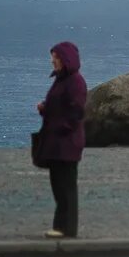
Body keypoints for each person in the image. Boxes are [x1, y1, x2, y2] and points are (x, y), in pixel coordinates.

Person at [35, 40, 86, 238]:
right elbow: (60, 107)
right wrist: (46, 110)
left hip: (67, 143)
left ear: (65, 60)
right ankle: (60, 226)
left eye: (55, 58)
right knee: (58, 184)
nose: (52, 61)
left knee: (66, 186)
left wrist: (60, 127)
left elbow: (76, 112)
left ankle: (67, 228)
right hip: (57, 143)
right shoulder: (61, 80)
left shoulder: (75, 82)